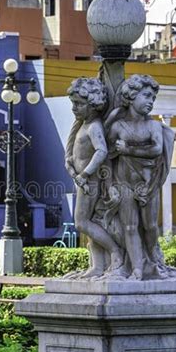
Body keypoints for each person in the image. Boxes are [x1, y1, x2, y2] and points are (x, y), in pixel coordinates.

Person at [106, 74, 174, 279]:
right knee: (130, 226)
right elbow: (108, 155)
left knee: (151, 225)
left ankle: (153, 257)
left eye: (153, 98)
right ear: (131, 96)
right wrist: (110, 185)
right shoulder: (118, 127)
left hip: (148, 184)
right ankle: (137, 267)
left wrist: (128, 149)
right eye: (146, 96)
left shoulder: (153, 126)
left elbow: (156, 149)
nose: (150, 102)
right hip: (124, 182)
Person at [65, 77, 124, 278]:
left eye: (79, 104)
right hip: (82, 181)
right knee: (90, 223)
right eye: (73, 103)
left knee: (81, 223)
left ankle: (115, 251)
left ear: (93, 105)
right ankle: (97, 267)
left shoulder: (93, 126)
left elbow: (101, 151)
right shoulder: (83, 124)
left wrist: (84, 173)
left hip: (89, 182)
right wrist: (71, 164)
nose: (75, 108)